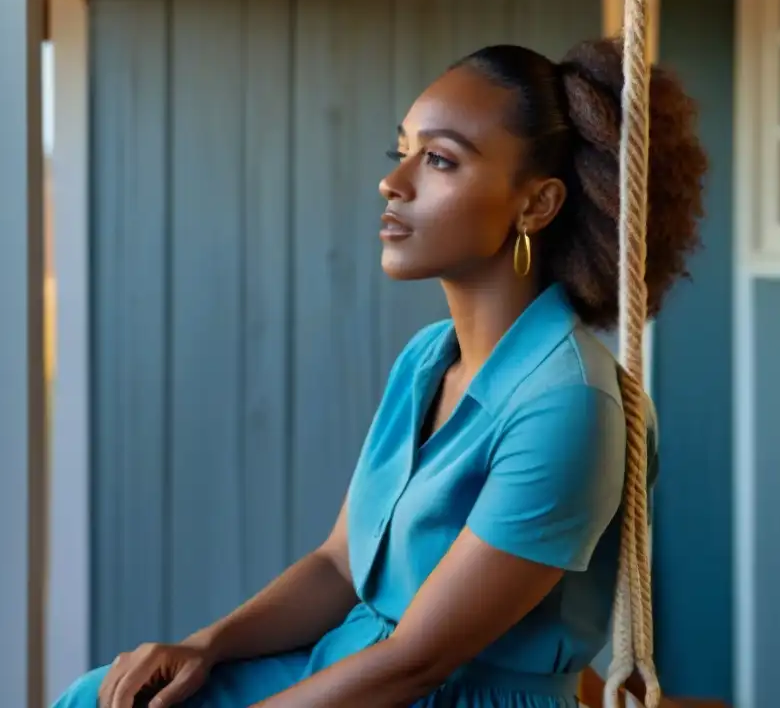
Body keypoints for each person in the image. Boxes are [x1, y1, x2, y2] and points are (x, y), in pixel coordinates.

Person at [53, 35, 707, 708]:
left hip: (436, 694)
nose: (393, 184)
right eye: (402, 153)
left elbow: (416, 663)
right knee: (97, 696)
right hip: (350, 663)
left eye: (440, 160)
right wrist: (205, 644)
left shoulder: (569, 403)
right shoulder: (428, 357)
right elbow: (339, 564)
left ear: (535, 205)